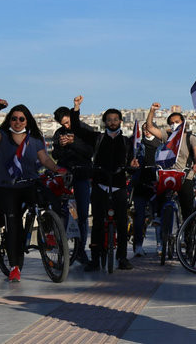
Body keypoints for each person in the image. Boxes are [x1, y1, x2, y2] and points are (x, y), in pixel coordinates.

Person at [0, 100, 64, 282]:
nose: (18, 122)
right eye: (14, 118)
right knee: (14, 227)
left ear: (27, 121)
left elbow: (45, 160)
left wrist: (58, 170)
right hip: (7, 187)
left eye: (21, 118)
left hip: (29, 183)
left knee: (50, 199)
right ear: (9, 120)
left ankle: (49, 231)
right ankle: (14, 267)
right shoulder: (2, 137)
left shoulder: (34, 141)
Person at [69, 95, 139, 272]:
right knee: (98, 224)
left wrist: (132, 166)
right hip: (100, 184)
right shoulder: (98, 138)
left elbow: (131, 165)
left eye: (115, 119)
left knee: (122, 224)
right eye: (109, 119)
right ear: (105, 122)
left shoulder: (127, 142)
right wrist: (76, 108)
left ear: (121, 121)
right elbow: (77, 128)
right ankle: (95, 259)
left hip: (119, 186)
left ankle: (122, 258)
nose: (113, 122)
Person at [52, 106, 94, 265]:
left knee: (83, 214)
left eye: (68, 122)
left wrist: (73, 142)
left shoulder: (85, 129)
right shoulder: (58, 133)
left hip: (82, 174)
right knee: (61, 212)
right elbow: (55, 155)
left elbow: (90, 152)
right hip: (65, 175)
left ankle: (81, 250)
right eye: (63, 124)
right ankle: (62, 248)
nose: (67, 126)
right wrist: (61, 146)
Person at [145, 105, 196, 224]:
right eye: (171, 123)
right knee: (160, 195)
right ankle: (159, 218)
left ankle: (188, 237)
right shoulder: (168, 137)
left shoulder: (190, 138)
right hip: (169, 174)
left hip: (185, 176)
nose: (174, 124)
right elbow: (150, 127)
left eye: (177, 122)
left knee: (187, 210)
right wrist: (152, 111)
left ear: (183, 123)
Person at [131, 123, 161, 257]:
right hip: (140, 185)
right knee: (139, 217)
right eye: (144, 130)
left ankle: (160, 244)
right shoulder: (137, 145)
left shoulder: (161, 144)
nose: (146, 132)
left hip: (156, 185)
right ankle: (138, 246)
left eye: (148, 129)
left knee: (158, 216)